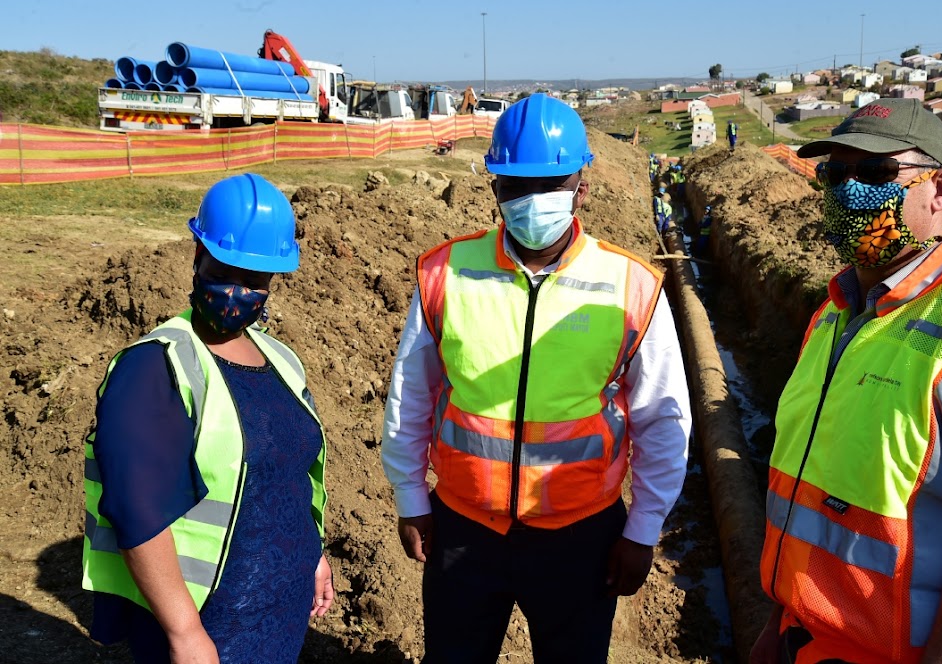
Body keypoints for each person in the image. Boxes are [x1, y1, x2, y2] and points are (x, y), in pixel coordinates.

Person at [381, 93, 691, 664]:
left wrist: (644, 528)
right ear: (493, 186)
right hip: (464, 530)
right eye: (515, 186)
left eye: (550, 183)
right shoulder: (445, 272)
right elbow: (412, 392)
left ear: (583, 186)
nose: (532, 200)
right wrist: (409, 497)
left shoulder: (632, 286)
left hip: (581, 537)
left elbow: (661, 416)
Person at [751, 97, 942, 663]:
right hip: (805, 639)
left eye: (877, 173)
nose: (849, 190)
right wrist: (780, 620)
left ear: (941, 188)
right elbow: (808, 483)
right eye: (835, 173)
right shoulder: (832, 315)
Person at [82, 173, 334, 663]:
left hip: (277, 615)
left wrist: (311, 555)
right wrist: (184, 633)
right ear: (198, 256)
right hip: (209, 625)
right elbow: (137, 511)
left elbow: (286, 478)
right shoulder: (156, 366)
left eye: (254, 280)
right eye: (225, 271)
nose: (238, 291)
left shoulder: (280, 359)